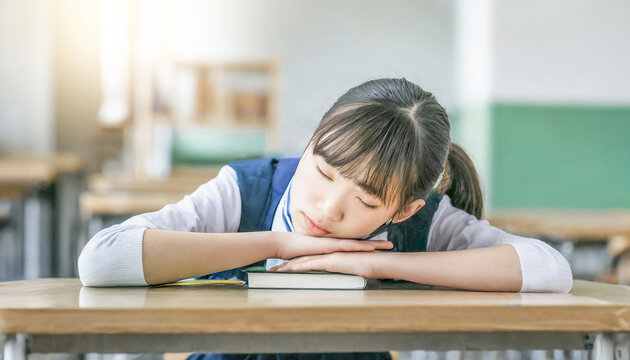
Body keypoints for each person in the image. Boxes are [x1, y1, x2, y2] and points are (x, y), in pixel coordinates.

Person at [78, 78, 573, 360]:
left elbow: (549, 269)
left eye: (366, 200)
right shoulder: (245, 189)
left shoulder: (424, 225)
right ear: (310, 141)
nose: (329, 207)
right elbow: (102, 262)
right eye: (324, 170)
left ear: (403, 210)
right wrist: (276, 245)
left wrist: (380, 266)